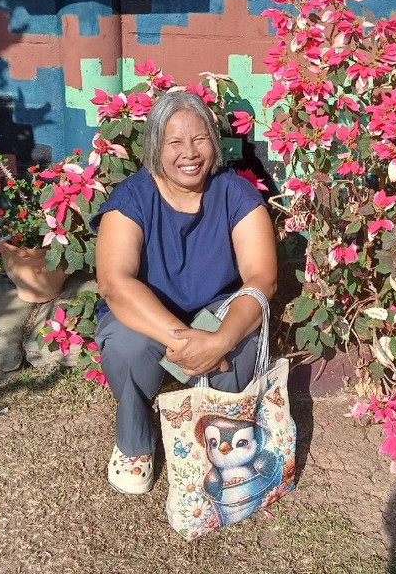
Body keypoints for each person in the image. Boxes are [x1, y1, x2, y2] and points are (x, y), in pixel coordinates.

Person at [91, 90, 277, 494]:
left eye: (200, 139)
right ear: (156, 147)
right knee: (127, 345)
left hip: (214, 309)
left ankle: (216, 439)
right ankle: (135, 441)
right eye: (174, 142)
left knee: (241, 347)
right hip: (151, 313)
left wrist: (222, 339)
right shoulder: (132, 197)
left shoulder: (235, 194)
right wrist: (188, 343)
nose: (189, 153)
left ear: (214, 140)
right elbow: (114, 282)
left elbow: (262, 278)